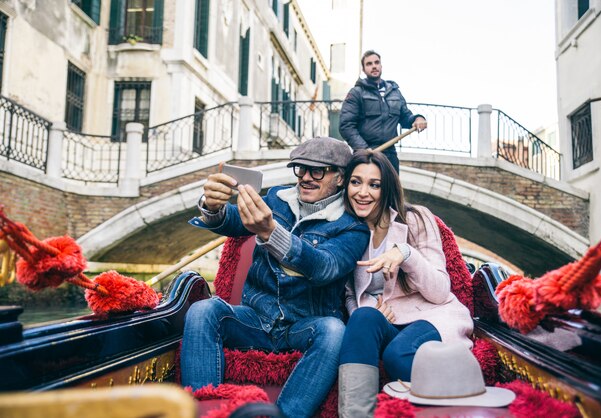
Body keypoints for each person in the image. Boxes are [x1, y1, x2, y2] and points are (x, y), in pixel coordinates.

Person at [181, 137, 370, 418]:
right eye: (300, 168)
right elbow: (232, 221)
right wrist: (212, 206)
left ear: (340, 177)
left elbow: (324, 267)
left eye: (316, 171)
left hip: (305, 325)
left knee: (334, 332)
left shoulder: (353, 228)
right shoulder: (276, 199)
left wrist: (271, 232)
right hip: (255, 318)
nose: (305, 177)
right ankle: (205, 411)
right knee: (203, 309)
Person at [337, 150, 473, 418]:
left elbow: (439, 291)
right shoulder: (347, 230)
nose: (363, 192)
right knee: (362, 317)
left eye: (374, 185)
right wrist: (365, 311)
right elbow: (350, 294)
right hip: (387, 321)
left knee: (397, 355)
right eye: (356, 182)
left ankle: (462, 406)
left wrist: (405, 253)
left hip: (431, 317)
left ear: (386, 187)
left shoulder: (415, 219)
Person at [339, 50, 427, 173]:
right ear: (363, 69)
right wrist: (363, 149)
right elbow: (346, 125)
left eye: (376, 62)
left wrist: (417, 118)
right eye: (369, 64)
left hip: (390, 154)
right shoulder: (356, 92)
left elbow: (406, 118)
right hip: (366, 155)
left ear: (381, 66)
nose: (374, 66)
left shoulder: (395, 92)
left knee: (392, 191)